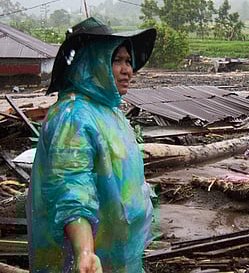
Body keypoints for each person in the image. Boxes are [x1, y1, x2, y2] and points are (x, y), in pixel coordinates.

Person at [27, 17, 157, 272]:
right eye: (116, 60)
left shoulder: (110, 112)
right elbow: (71, 188)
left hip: (117, 255)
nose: (127, 70)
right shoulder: (73, 116)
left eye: (128, 61)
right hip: (86, 262)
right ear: (91, 64)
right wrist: (84, 252)